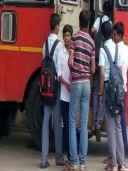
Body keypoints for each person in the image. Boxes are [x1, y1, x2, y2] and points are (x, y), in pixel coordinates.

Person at [68, 10, 95, 170]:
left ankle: (73, 161)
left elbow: (70, 61)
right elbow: (92, 69)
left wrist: (75, 67)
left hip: (77, 83)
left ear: (79, 22)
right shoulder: (92, 42)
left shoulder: (75, 38)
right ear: (89, 23)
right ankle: (83, 162)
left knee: (72, 122)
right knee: (84, 123)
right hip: (87, 84)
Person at [99, 21, 126, 171]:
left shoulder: (104, 49)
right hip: (118, 91)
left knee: (110, 127)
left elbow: (102, 73)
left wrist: (101, 92)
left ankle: (113, 164)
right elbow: (121, 71)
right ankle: (121, 163)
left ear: (103, 34)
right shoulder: (117, 47)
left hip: (108, 89)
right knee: (118, 126)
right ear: (113, 33)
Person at [40, 13, 64, 169]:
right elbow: (59, 69)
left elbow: (42, 62)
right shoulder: (59, 45)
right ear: (56, 26)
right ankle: (58, 158)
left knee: (45, 121)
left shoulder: (45, 44)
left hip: (44, 87)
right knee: (57, 123)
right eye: (59, 25)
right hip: (55, 87)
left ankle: (43, 159)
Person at [90, 1, 112, 141]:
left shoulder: (98, 19)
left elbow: (92, 30)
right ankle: (98, 121)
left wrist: (93, 40)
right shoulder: (111, 23)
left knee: (96, 90)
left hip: (97, 60)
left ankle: (94, 124)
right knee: (102, 95)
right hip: (107, 65)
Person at [113, 22, 128, 154]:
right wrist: (126, 45)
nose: (113, 37)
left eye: (115, 34)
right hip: (124, 89)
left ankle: (119, 152)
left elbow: (118, 69)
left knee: (117, 123)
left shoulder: (117, 50)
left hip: (117, 90)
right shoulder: (126, 49)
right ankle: (123, 149)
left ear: (120, 35)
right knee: (122, 120)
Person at [59, 24, 73, 162]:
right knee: (66, 126)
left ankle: (71, 155)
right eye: (64, 35)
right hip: (63, 95)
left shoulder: (74, 52)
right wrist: (66, 84)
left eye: (68, 35)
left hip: (73, 95)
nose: (66, 38)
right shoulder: (61, 52)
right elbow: (58, 74)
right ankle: (66, 154)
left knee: (71, 125)